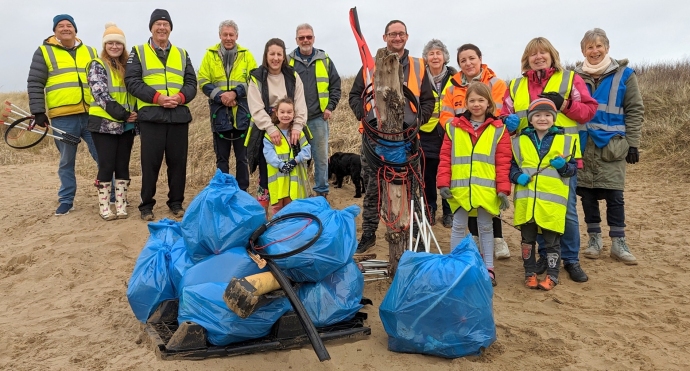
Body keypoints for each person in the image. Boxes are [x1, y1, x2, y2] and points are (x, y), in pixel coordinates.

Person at [501, 37, 598, 283]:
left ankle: (571, 260)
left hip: (561, 158)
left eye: (543, 52)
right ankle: (544, 256)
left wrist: (564, 104)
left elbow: (588, 111)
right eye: (533, 54)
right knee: (536, 209)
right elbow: (505, 117)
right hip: (529, 160)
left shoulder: (569, 79)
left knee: (565, 212)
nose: (538, 57)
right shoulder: (514, 85)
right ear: (527, 59)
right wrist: (508, 124)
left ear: (552, 55)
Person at [348, 20, 435, 253]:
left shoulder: (419, 65)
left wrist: (417, 121)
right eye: (392, 34)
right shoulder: (371, 65)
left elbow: (428, 101)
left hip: (408, 140)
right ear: (384, 37)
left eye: (400, 34)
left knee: (412, 188)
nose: (397, 38)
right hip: (375, 141)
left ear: (406, 36)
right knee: (373, 188)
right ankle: (368, 234)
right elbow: (355, 95)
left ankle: (415, 236)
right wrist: (365, 116)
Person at [574, 28, 643, 265]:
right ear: (583, 50)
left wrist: (633, 144)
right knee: (587, 195)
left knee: (615, 195)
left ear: (607, 48)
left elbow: (635, 110)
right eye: (589, 47)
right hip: (583, 145)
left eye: (599, 46)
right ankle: (594, 240)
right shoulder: (573, 76)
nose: (594, 51)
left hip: (612, 147)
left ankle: (618, 243)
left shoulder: (625, 75)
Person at [439, 43, 511, 259]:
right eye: (463, 60)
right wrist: (461, 131)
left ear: (480, 58)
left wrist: (487, 128)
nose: (468, 63)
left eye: (472, 58)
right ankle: (474, 245)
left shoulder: (496, 83)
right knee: (465, 205)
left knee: (486, 200)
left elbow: (501, 111)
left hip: (489, 139)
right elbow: (445, 115)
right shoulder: (451, 86)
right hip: (463, 139)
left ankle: (497, 242)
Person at [125, 9, 197, 221]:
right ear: (151, 28)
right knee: (150, 163)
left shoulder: (183, 54)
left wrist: (181, 98)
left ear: (170, 29)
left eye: (166, 25)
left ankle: (176, 203)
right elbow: (132, 82)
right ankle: (146, 205)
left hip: (178, 116)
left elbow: (192, 83)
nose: (162, 28)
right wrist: (157, 98)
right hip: (151, 117)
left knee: (178, 163)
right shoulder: (138, 52)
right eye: (158, 24)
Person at [27, 14, 99, 216]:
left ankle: (112, 195)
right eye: (61, 26)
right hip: (63, 117)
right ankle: (66, 200)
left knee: (103, 157)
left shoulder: (91, 51)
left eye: (69, 25)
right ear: (55, 31)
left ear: (75, 29)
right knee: (66, 161)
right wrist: (38, 111)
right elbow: (35, 82)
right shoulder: (43, 52)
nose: (65, 28)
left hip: (92, 114)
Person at [510, 98, 578, 291]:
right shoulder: (519, 141)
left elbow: (572, 170)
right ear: (530, 119)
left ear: (554, 118)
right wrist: (517, 176)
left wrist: (563, 166)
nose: (542, 118)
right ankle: (529, 273)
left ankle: (552, 275)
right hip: (527, 202)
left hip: (551, 204)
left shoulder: (565, 141)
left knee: (552, 242)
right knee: (527, 240)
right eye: (537, 115)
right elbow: (512, 167)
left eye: (547, 115)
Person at [246, 38, 307, 212]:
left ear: (283, 56)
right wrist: (271, 128)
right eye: (272, 54)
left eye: (279, 54)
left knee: (291, 174)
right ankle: (263, 216)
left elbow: (300, 102)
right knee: (267, 176)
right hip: (265, 130)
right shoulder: (256, 77)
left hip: (291, 129)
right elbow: (255, 106)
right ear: (266, 55)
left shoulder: (293, 76)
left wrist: (297, 126)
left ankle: (288, 214)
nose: (275, 58)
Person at [197, 20, 257, 191]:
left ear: (237, 36)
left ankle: (242, 190)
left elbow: (253, 80)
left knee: (242, 157)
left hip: (242, 113)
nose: (228, 38)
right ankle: (223, 190)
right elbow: (203, 80)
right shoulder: (210, 55)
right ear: (220, 36)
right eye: (225, 34)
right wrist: (221, 96)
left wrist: (235, 93)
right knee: (221, 158)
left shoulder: (247, 55)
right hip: (219, 112)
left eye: (231, 34)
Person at [86, 22, 137, 220]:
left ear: (123, 46)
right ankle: (105, 206)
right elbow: (101, 94)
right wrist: (124, 114)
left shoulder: (127, 66)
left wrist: (134, 114)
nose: (114, 46)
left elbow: (132, 93)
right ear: (105, 45)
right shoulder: (97, 65)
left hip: (127, 125)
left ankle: (121, 204)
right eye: (110, 43)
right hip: (104, 123)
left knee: (123, 165)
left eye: (118, 43)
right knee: (106, 165)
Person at [287, 23, 341, 198]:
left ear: (313, 38)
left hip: (318, 119)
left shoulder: (324, 59)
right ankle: (298, 195)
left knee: (321, 158)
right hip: (294, 121)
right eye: (301, 37)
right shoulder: (288, 62)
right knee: (295, 158)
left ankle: (321, 194)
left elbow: (336, 85)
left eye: (308, 37)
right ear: (296, 40)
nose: (305, 40)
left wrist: (330, 107)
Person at [419, 39, 457, 227]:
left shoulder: (456, 77)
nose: (435, 57)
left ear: (445, 57)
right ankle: (430, 209)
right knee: (428, 174)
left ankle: (448, 211)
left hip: (450, 132)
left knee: (449, 172)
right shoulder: (418, 77)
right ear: (426, 57)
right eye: (431, 53)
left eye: (438, 53)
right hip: (426, 131)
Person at [262, 98, 312, 215]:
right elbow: (268, 153)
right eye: (282, 112)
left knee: (292, 209)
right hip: (278, 180)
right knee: (278, 210)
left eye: (289, 112)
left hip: (293, 180)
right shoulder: (271, 133)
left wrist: (295, 161)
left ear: (294, 114)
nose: (285, 115)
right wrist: (280, 164)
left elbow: (307, 150)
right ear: (276, 113)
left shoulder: (298, 132)